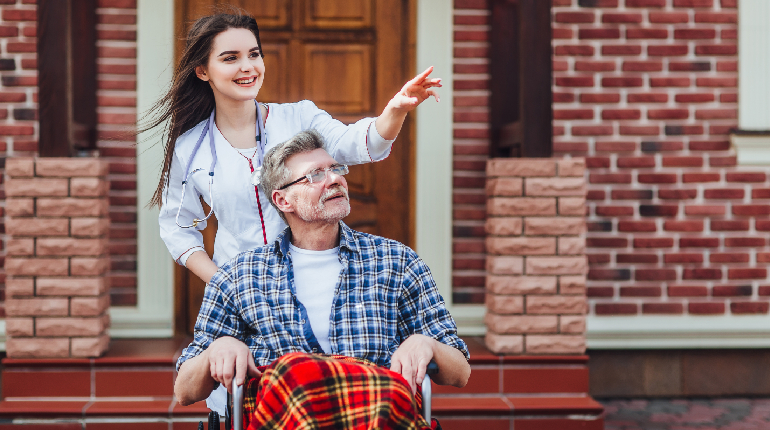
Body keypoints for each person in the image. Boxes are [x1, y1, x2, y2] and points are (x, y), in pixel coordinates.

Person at [174, 131, 470, 427]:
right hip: (285, 420)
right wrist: (218, 348)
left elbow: (460, 372)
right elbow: (185, 390)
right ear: (283, 200)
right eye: (315, 175)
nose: (335, 179)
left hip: (374, 418)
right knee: (292, 372)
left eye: (336, 168)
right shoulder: (239, 276)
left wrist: (425, 344)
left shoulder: (396, 262)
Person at [152, 11, 442, 288]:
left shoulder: (300, 117)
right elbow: (177, 229)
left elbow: (359, 143)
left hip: (312, 281)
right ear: (202, 71)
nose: (248, 66)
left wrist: (395, 110)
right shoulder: (190, 146)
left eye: (254, 54)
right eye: (231, 58)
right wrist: (223, 283)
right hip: (240, 290)